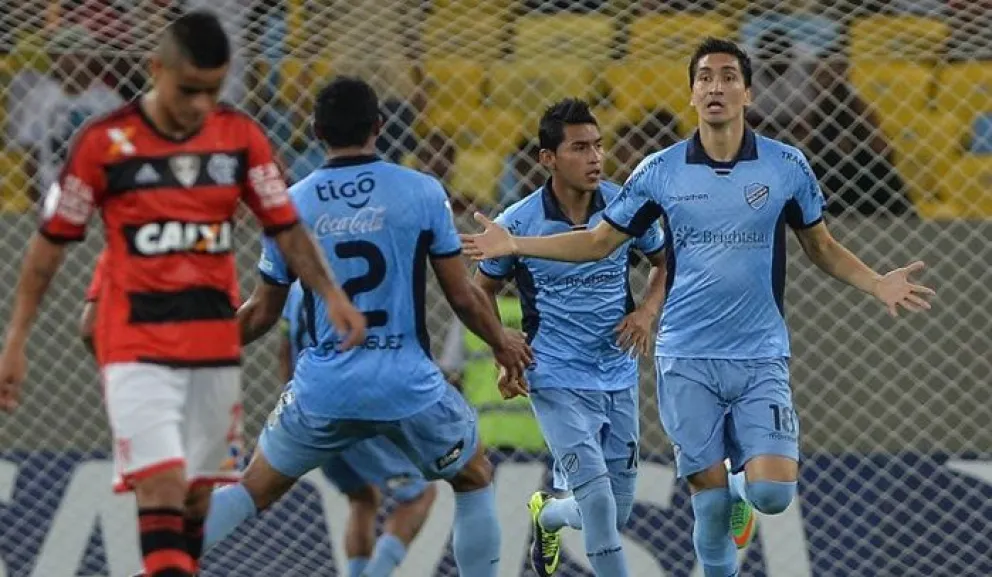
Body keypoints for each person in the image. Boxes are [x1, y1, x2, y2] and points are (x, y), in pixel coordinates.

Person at [462, 37, 936, 577]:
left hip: (759, 354)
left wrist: (877, 284)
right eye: (705, 77)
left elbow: (821, 246)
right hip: (684, 358)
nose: (716, 86)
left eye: (728, 76)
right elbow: (596, 242)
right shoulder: (657, 172)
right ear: (691, 94)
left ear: (747, 91)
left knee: (773, 495)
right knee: (706, 509)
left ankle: (739, 484)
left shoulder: (786, 166)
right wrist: (515, 246)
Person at [0, 12, 366, 577]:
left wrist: (330, 293)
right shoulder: (104, 143)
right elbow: (48, 248)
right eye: (188, 90)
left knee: (195, 502)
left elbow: (286, 227)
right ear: (155, 70)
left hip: (213, 345)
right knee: (162, 489)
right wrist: (17, 338)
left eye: (212, 91)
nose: (200, 104)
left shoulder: (239, 137)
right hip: (135, 341)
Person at [199, 76, 532, 577]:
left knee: (251, 488)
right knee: (474, 476)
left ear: (315, 131)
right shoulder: (422, 192)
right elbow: (461, 295)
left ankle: (160, 566)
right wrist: (501, 342)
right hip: (406, 382)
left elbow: (262, 314)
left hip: (325, 387)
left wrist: (193, 346)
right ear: (380, 126)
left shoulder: (289, 204)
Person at [474, 98, 667, 577]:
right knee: (600, 503)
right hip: (554, 374)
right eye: (580, 148)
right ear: (548, 159)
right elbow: (479, 292)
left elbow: (667, 262)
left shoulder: (626, 207)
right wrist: (502, 344)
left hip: (618, 370)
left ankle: (549, 513)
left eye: (598, 146)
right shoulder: (516, 223)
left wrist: (647, 311)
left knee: (612, 513)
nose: (596, 158)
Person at [279, 281, 438, 577]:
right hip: (352, 406)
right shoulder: (357, 281)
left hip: (306, 408)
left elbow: (284, 350)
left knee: (363, 497)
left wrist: (293, 401)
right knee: (420, 495)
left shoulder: (296, 289)